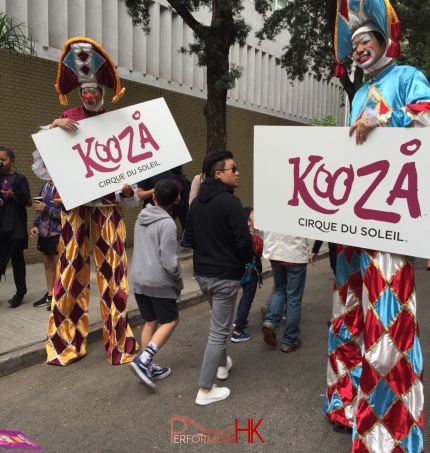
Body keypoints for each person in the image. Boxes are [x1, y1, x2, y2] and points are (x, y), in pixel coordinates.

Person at [325, 1, 427, 449]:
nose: (359, 49)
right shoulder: (357, 93)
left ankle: (388, 428)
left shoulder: (408, 78)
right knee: (347, 313)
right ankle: (346, 403)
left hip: (389, 223)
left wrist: (384, 119)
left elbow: (426, 117)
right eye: (355, 43)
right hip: (352, 227)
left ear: (386, 40)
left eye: (366, 40)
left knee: (388, 321)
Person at [44, 37, 139, 366]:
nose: (90, 95)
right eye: (85, 90)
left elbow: (128, 170)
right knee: (69, 270)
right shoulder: (67, 116)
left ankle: (119, 342)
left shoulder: (114, 123)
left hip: (107, 208)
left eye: (95, 91)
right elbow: (48, 159)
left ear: (101, 94)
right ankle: (64, 343)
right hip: (74, 209)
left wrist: (127, 190)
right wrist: (55, 127)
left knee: (114, 272)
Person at [185, 151, 252, 405]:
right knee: (218, 332)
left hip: (202, 275)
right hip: (225, 276)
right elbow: (244, 241)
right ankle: (204, 389)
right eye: (232, 168)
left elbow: (189, 239)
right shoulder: (230, 203)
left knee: (219, 324)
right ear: (218, 174)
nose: (237, 173)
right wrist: (243, 261)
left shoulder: (197, 203)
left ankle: (223, 364)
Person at [129, 179, 183, 388]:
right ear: (175, 200)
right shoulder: (167, 223)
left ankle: (146, 365)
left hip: (140, 279)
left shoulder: (140, 218)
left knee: (150, 321)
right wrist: (177, 278)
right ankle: (144, 361)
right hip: (159, 282)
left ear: (153, 196)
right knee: (170, 320)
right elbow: (169, 261)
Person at [261, 232, 308, 352]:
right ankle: (289, 341)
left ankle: (271, 321)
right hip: (295, 253)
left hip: (275, 252)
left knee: (279, 289)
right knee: (294, 297)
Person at [0, 145, 32, 308]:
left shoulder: (19, 179)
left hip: (15, 228)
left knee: (17, 261)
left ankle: (20, 293)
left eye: (3, 159)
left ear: (11, 161)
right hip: (1, 226)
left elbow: (29, 202)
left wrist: (14, 195)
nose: (0, 162)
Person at [30, 151, 62, 309]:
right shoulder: (43, 188)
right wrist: (35, 225)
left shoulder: (64, 187)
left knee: (58, 264)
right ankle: (50, 294)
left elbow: (68, 215)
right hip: (44, 232)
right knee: (47, 262)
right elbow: (38, 210)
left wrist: (47, 208)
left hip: (58, 232)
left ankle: (59, 295)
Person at [231, 207, 263, 342]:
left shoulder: (237, 235)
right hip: (251, 272)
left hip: (240, 271)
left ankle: (239, 320)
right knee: (247, 299)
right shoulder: (254, 238)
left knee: (244, 296)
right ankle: (238, 331)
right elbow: (260, 250)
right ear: (248, 222)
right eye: (254, 216)